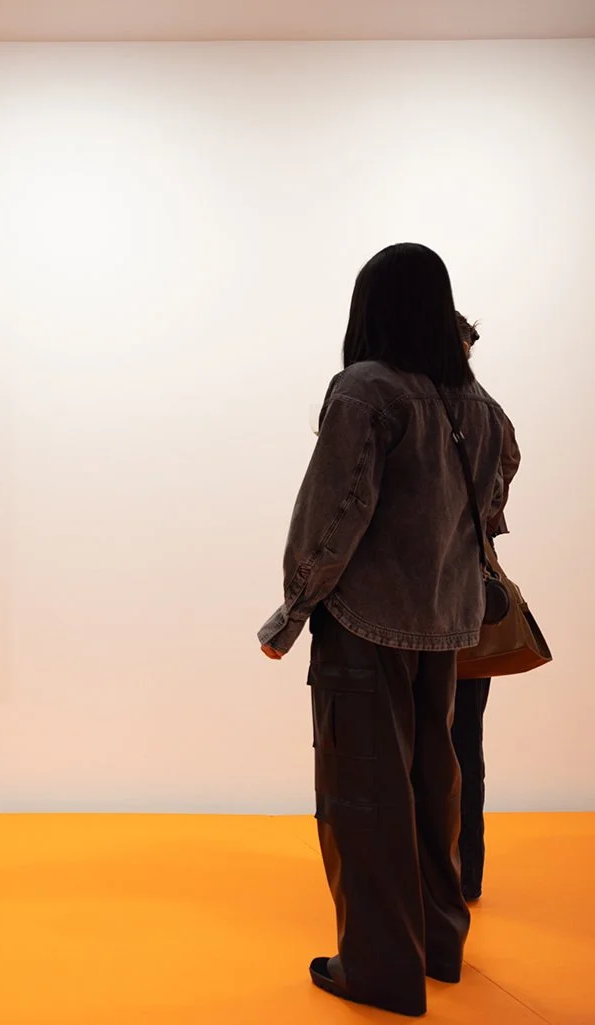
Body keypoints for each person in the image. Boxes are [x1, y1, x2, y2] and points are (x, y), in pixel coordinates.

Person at [258, 244, 514, 1017]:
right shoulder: (473, 399)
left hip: (367, 626)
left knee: (362, 799)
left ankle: (378, 970)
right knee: (433, 791)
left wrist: (292, 610)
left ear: (370, 304)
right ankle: (439, 946)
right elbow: (497, 491)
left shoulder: (365, 389)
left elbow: (336, 514)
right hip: (447, 625)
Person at [450, 312, 521, 904]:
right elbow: (500, 491)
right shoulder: (490, 413)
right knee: (465, 739)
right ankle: (464, 874)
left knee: (423, 740)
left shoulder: (417, 408)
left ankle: (435, 874)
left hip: (424, 601)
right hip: (476, 592)